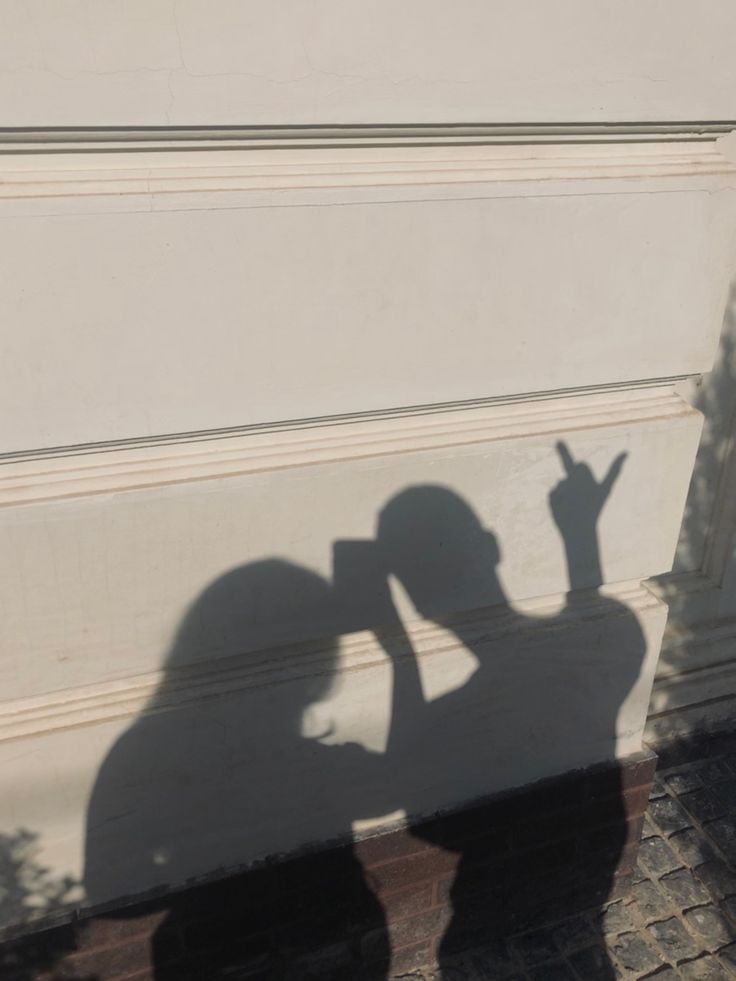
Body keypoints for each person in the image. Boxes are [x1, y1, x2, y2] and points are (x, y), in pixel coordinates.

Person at [375, 442, 645, 977]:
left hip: (499, 880)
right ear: (494, 547)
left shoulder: (476, 695)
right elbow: (586, 617)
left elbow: (409, 809)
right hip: (600, 837)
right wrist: (579, 535)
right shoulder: (619, 628)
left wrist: (401, 657)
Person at [85, 559, 390, 979]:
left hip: (220, 949)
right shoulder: (306, 754)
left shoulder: (138, 748)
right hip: (306, 935)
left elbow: (114, 894)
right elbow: (398, 790)